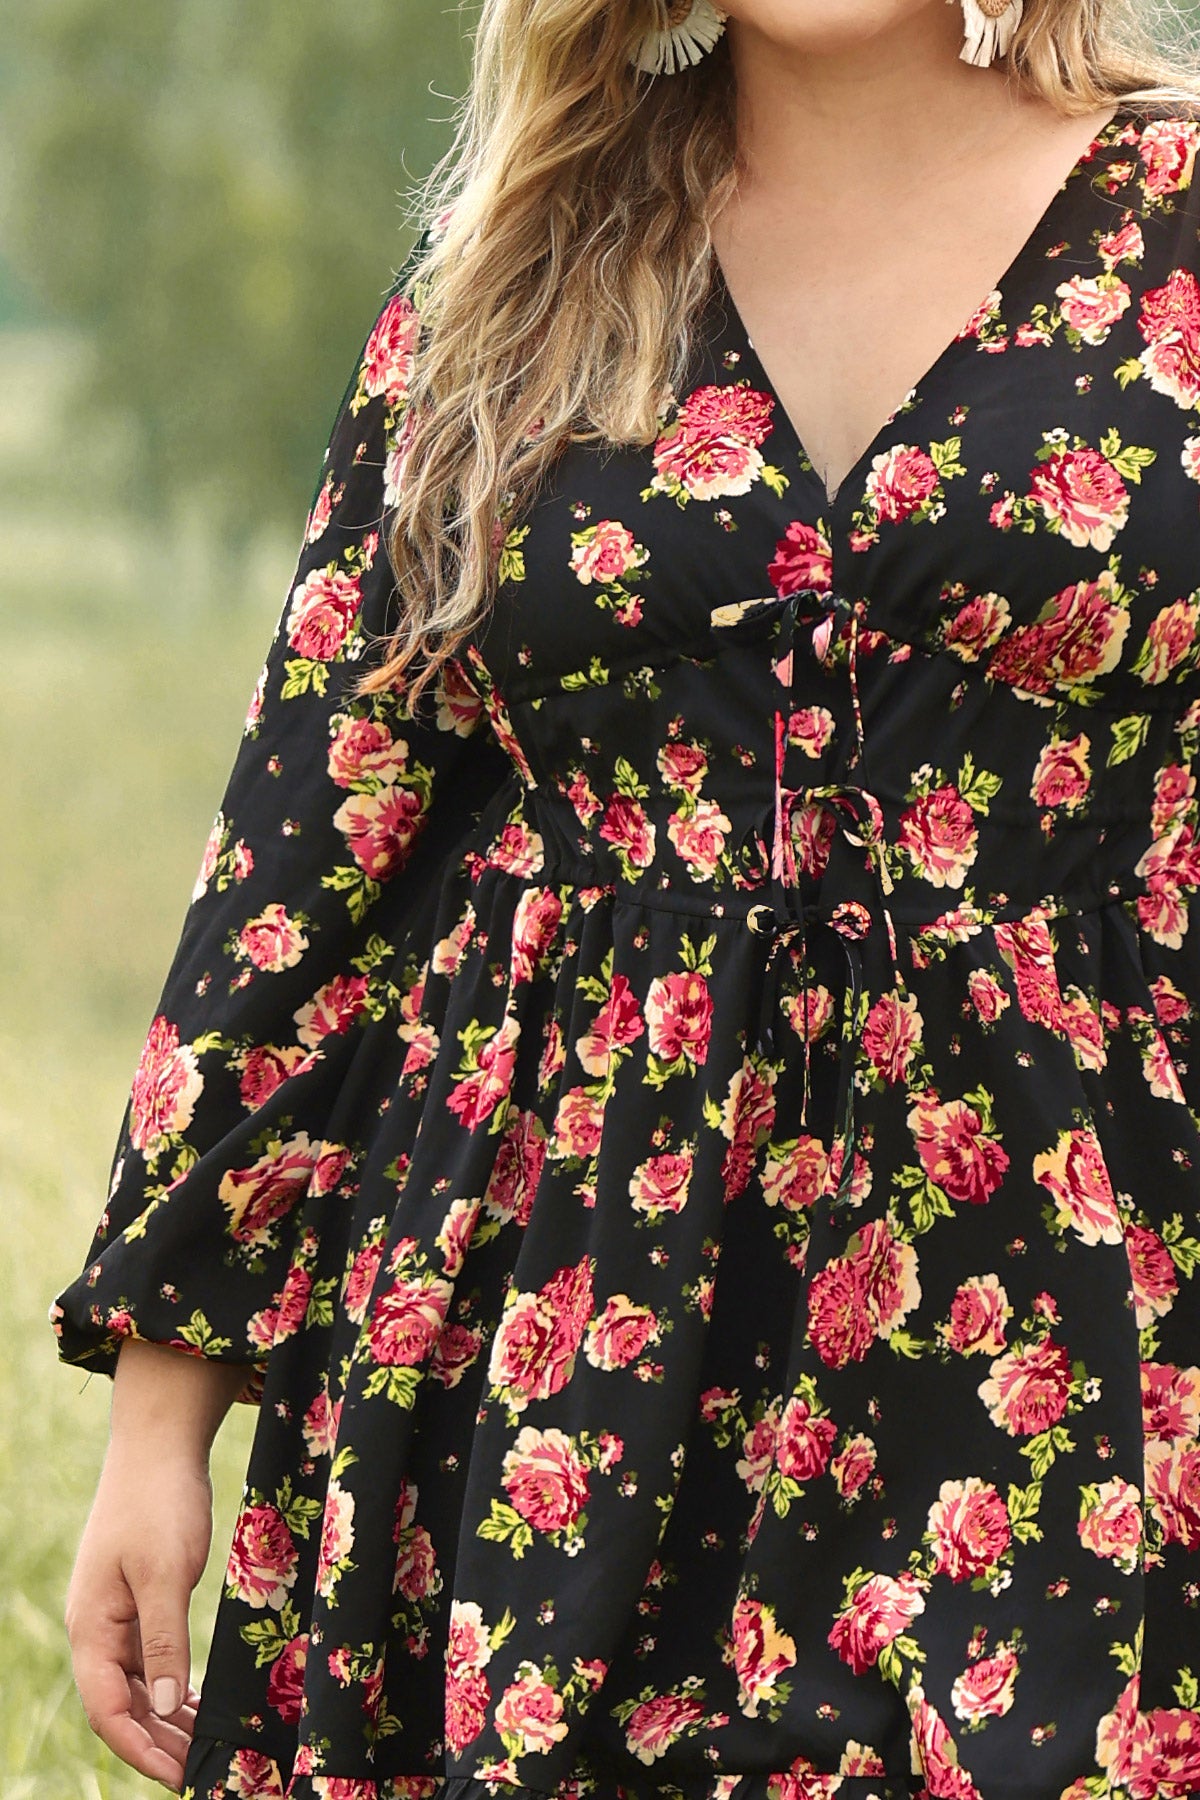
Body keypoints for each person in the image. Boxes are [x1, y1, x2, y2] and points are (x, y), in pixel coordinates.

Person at [49, 0, 1200, 1795]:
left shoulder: (1177, 236)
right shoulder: (509, 275)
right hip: (558, 1344)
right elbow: (309, 852)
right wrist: (157, 1423)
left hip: (1079, 1317)